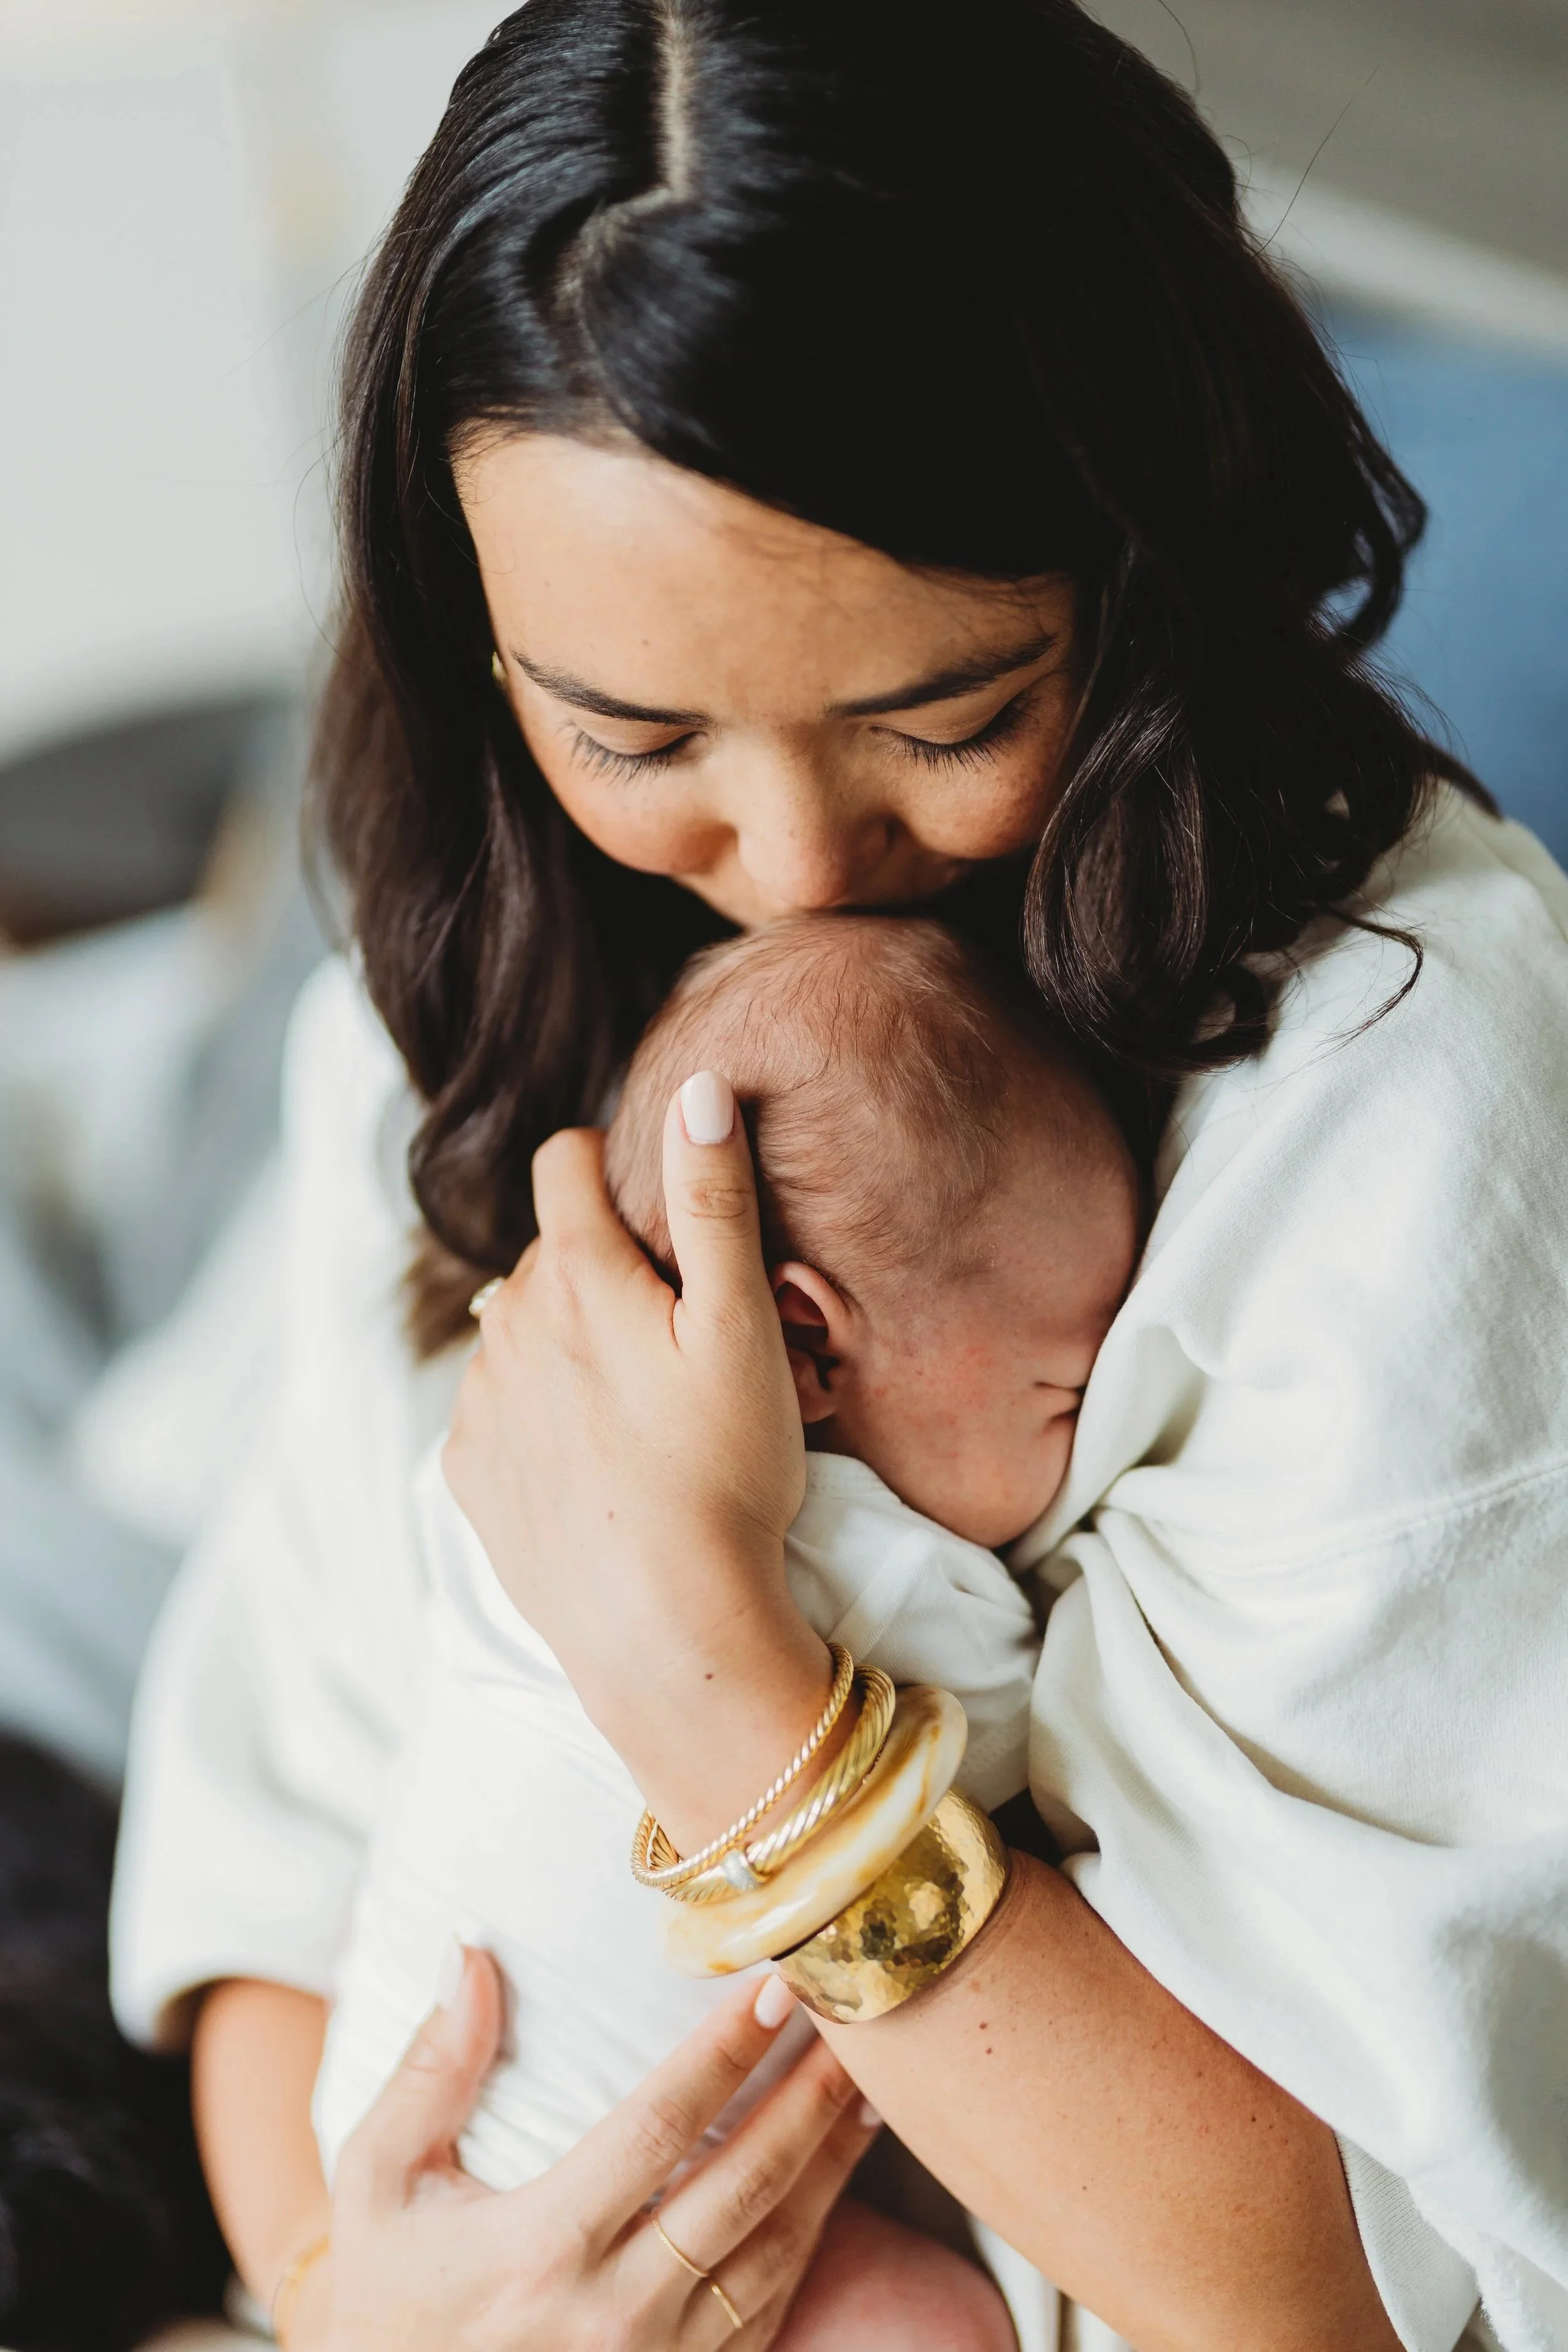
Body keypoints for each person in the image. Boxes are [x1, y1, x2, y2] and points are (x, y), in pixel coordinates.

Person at [108, 2, 1568, 2348]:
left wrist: (714, 1680)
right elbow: (273, 1888)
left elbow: (1338, 2297)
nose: (789, 866)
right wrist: (368, 2292)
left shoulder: (1417, 1091)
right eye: (633, 733)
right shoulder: (455, 1011)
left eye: (947, 713)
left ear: (1148, 567)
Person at [309, 915, 1135, 2352]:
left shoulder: (514, 1433)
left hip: (386, 2116)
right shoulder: (883, 1571)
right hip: (610, 2208)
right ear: (809, 1348)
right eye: (1063, 1397)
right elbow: (1036, 1775)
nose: (1090, 1437)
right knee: (937, 2323)